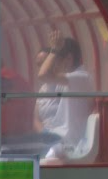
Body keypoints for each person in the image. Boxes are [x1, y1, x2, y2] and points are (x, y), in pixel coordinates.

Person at [34, 32, 95, 161]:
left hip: (67, 143)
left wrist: (54, 49)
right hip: (58, 139)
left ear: (68, 59)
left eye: (57, 59)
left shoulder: (81, 77)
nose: (55, 64)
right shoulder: (71, 80)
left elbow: (43, 75)